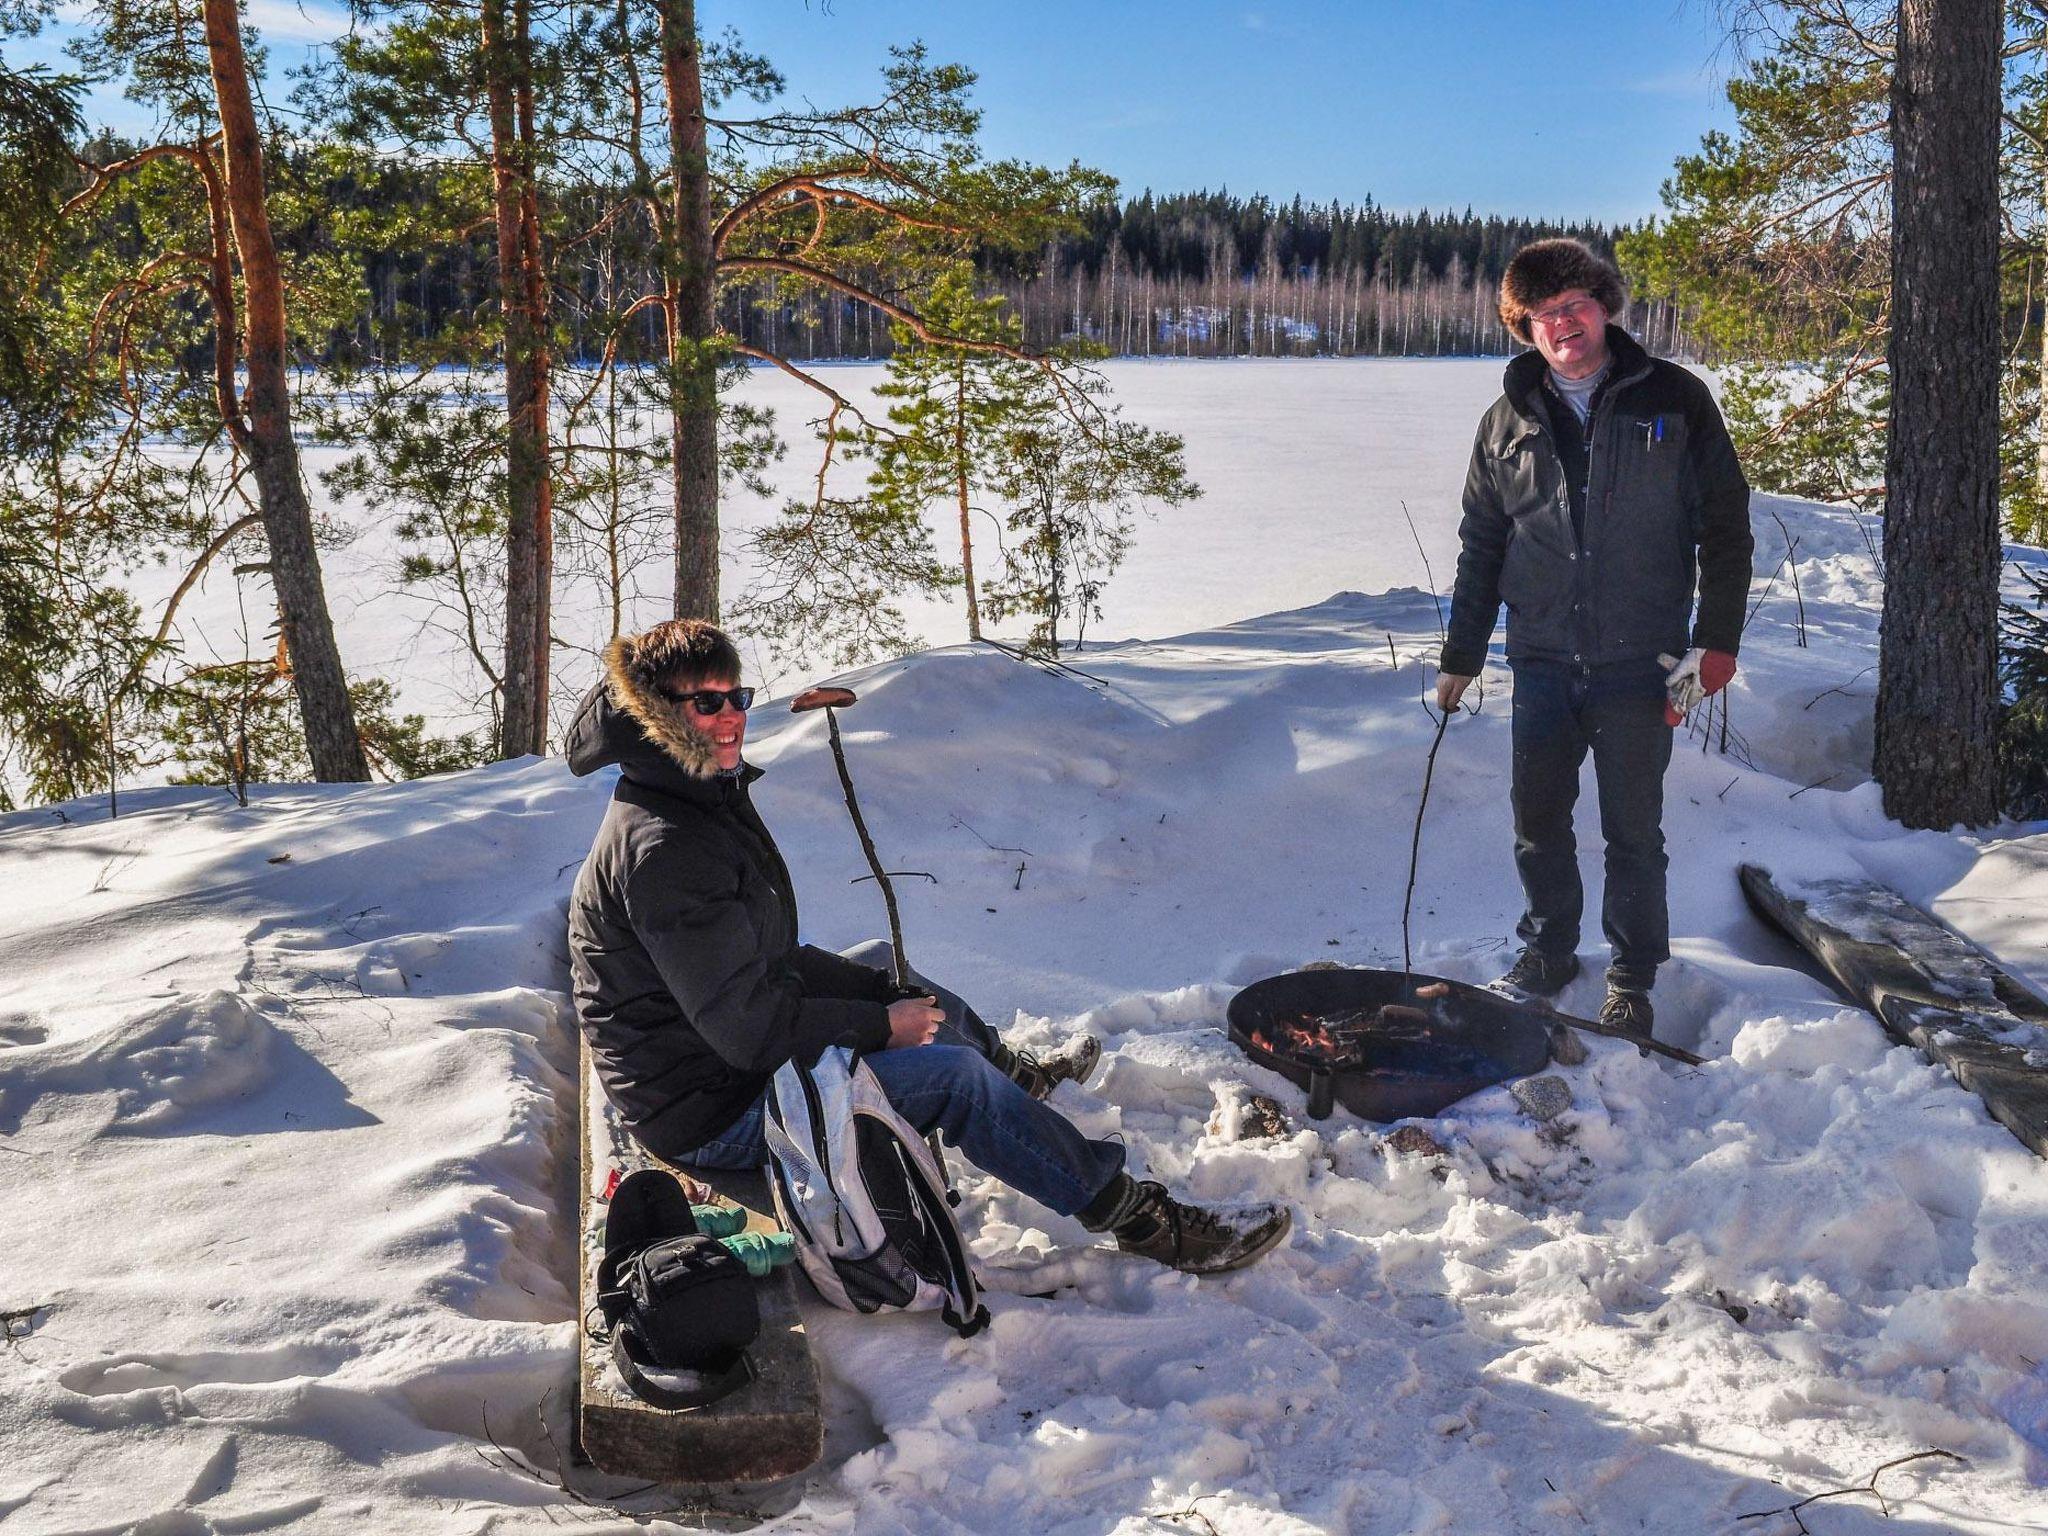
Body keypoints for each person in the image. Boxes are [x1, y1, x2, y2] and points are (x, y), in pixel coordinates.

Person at [566, 618, 1291, 1275]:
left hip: (712, 1065)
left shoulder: (696, 799)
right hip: (711, 1115)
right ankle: (1139, 1219)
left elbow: (768, 958)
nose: (731, 719)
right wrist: (882, 1027)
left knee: (888, 968)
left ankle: (1020, 1081)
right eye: (707, 704)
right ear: (660, 716)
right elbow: (746, 1030)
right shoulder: (666, 849)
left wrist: (882, 999)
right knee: (950, 1078)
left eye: (738, 697)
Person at [1436, 239, 1753, 1039]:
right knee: (1538, 821)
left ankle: (1634, 974)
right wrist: (1462, 655)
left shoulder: (1675, 399)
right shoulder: (1505, 422)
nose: (1561, 325)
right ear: (1525, 329)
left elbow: (1725, 526)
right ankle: (1547, 952)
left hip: (1641, 665)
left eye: (1573, 305)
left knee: (1632, 831)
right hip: (1541, 660)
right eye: (1541, 316)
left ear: (1605, 305)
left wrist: (1714, 642)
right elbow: (1482, 546)